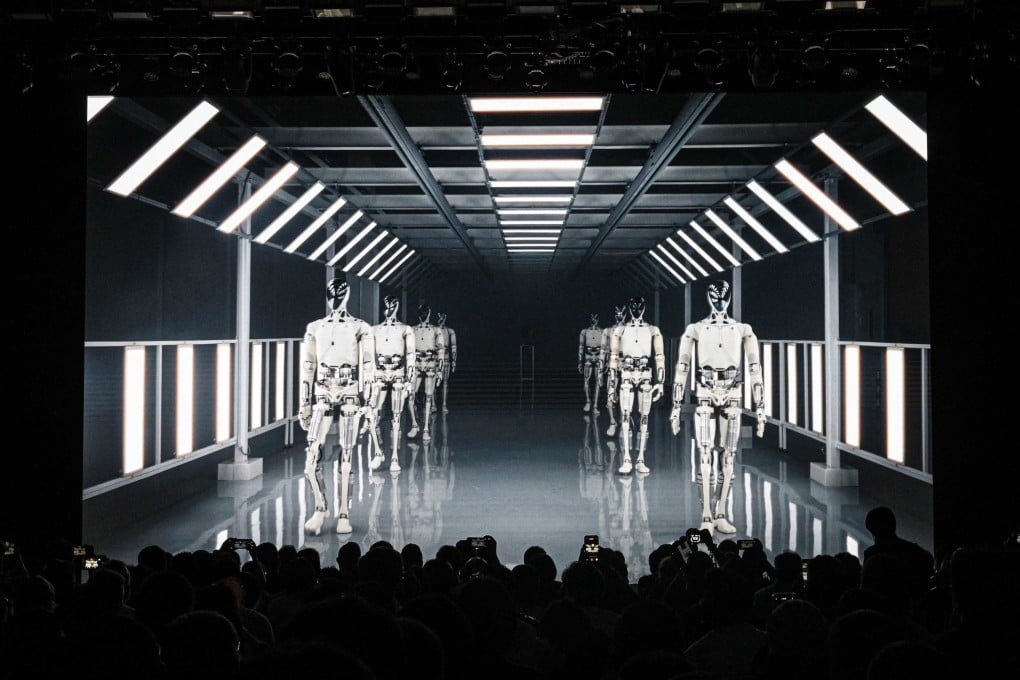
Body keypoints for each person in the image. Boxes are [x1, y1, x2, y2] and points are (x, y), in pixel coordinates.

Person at [669, 279, 765, 535]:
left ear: (729, 298)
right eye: (715, 296)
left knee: (729, 455)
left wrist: (761, 407)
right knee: (704, 453)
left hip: (732, 390)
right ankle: (706, 515)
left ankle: (721, 512)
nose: (719, 301)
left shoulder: (742, 330)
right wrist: (676, 406)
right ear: (709, 298)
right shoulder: (696, 330)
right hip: (705, 390)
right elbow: (682, 367)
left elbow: (755, 369)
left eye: (723, 297)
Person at [299, 275, 377, 535]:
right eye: (332, 291)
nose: (336, 295)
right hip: (322, 390)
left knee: (346, 455)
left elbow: (368, 366)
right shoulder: (315, 328)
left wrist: (369, 403)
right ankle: (321, 508)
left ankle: (344, 512)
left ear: (348, 294)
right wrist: (304, 403)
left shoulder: (361, 328)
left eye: (340, 291)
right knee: (311, 457)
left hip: (350, 392)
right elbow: (307, 366)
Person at [606, 295, 665, 475]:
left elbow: (660, 357)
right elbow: (614, 359)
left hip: (645, 375)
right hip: (627, 374)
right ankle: (626, 458)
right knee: (625, 416)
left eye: (640, 307)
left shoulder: (652, 330)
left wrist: (660, 382)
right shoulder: (620, 331)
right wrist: (611, 385)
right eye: (633, 307)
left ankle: (640, 458)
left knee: (644, 417)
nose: (636, 310)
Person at [369, 295, 416, 472]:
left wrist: (409, 381)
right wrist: (369, 378)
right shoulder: (374, 330)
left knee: (397, 416)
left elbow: (411, 355)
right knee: (372, 413)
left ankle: (395, 456)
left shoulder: (405, 330)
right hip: (380, 372)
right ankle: (378, 451)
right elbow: (369, 358)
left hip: (398, 372)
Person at [408, 302, 445, 442]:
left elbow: (441, 350)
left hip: (430, 363)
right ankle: (414, 424)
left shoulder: (436, 330)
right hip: (417, 363)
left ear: (428, 313)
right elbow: (409, 350)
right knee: (411, 395)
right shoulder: (412, 330)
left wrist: (440, 371)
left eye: (425, 312)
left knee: (428, 397)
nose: (423, 315)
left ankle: (425, 429)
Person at [602, 305, 627, 437]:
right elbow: (604, 349)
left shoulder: (630, 330)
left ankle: (624, 422)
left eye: (622, 314)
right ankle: (613, 422)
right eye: (618, 314)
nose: (620, 317)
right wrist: (601, 370)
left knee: (626, 397)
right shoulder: (608, 331)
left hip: (626, 367)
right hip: (612, 366)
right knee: (610, 397)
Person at [578, 313, 604, 415]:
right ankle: (588, 401)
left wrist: (604, 362)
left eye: (595, 318)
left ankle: (595, 405)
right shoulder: (585, 332)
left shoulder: (602, 332)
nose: (594, 320)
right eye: (592, 318)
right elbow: (581, 347)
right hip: (588, 357)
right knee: (586, 380)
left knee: (598, 381)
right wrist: (580, 361)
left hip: (598, 357)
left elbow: (605, 348)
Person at [436, 312, 457, 414]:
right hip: (436, 358)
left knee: (444, 383)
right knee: (433, 384)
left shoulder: (449, 331)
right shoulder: (434, 330)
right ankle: (433, 405)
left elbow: (453, 347)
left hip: (446, 358)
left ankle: (443, 404)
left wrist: (454, 361)